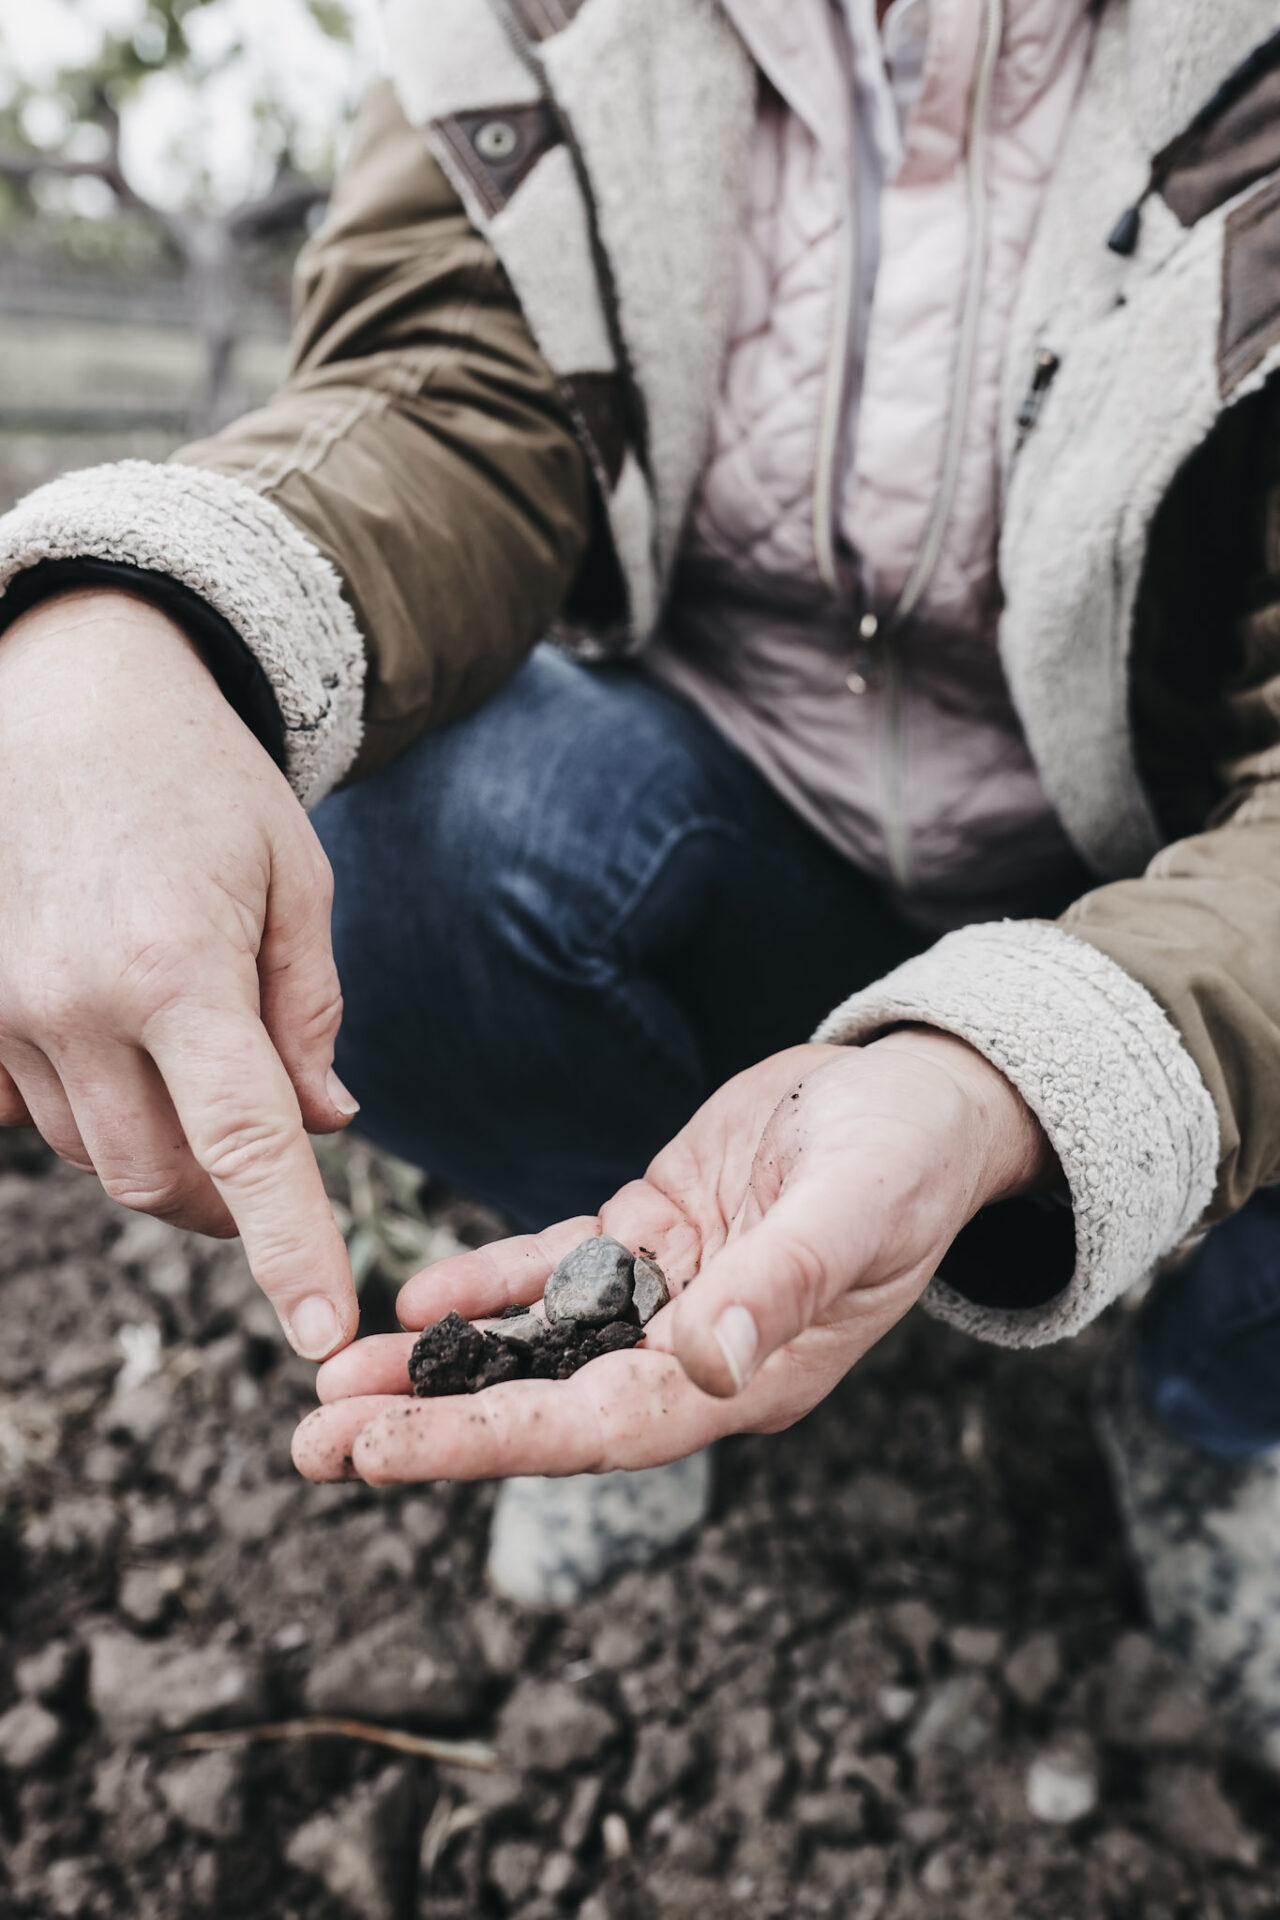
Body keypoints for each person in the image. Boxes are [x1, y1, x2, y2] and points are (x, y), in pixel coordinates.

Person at [1, 0, 1279, 1766]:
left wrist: (1007, 1070)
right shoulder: (538, 28)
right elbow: (442, 397)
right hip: (745, 832)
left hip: (1169, 885)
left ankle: (1218, 1407)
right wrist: (130, 619)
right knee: (403, 827)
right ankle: (657, 1300)